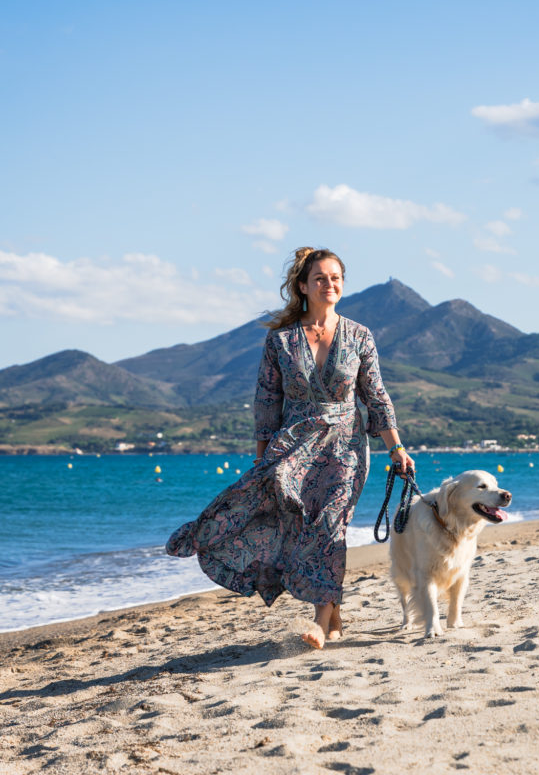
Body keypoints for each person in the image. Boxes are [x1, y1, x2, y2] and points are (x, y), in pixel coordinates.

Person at [166, 246, 415, 649]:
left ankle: (318, 621)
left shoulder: (359, 336)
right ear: (303, 286)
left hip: (346, 446)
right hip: (294, 444)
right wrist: (263, 458)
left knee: (331, 522)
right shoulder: (280, 340)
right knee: (300, 524)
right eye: (320, 278)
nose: (329, 284)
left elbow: (376, 397)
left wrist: (396, 448)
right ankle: (333, 611)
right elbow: (266, 400)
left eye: (335, 278)